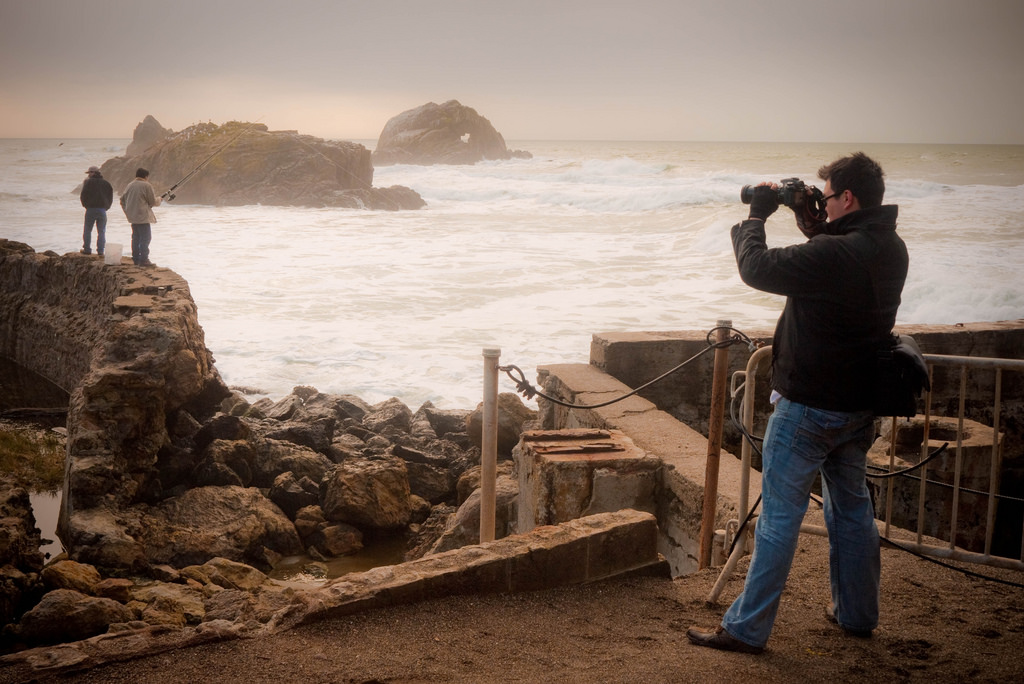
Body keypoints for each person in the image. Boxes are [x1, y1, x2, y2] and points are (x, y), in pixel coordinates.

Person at [687, 152, 909, 655]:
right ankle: (857, 613)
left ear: (847, 198)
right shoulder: (890, 247)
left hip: (808, 406)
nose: (823, 205)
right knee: (851, 512)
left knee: (779, 520)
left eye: (828, 197)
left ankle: (746, 629)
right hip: (858, 407)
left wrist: (757, 215)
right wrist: (813, 221)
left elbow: (757, 267)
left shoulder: (836, 255)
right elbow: (838, 259)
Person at [119, 167, 161, 266]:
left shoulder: (130, 185)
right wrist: (159, 199)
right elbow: (152, 202)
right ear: (146, 176)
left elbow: (122, 200)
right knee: (145, 238)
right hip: (143, 218)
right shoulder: (146, 185)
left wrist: (128, 212)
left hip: (133, 218)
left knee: (136, 238)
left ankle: (136, 259)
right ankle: (144, 260)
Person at [79, 165, 113, 255]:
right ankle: (101, 251)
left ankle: (87, 249)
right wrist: (107, 207)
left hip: (90, 209)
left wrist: (86, 205)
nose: (89, 174)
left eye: (90, 172)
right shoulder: (106, 183)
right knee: (101, 231)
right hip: (102, 210)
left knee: (87, 230)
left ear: (94, 173)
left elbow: (83, 196)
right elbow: (110, 196)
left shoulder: (88, 183)